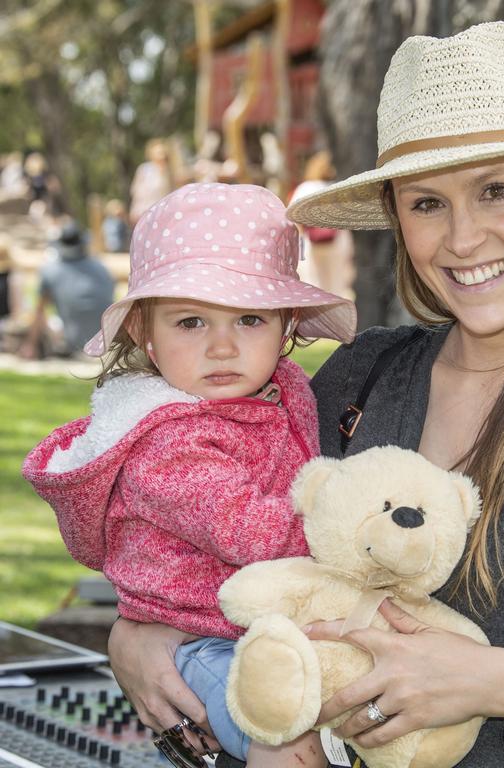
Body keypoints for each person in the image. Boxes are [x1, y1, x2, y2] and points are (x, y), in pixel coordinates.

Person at [105, 22, 504, 768]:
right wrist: (141, 637)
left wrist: (499, 683)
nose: (463, 238)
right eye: (426, 203)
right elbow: (226, 550)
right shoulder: (358, 379)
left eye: (497, 191)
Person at [23, 182, 356, 767]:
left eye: (249, 318)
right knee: (286, 742)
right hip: (198, 639)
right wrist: (356, 532)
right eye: (192, 323)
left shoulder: (279, 393)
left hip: (258, 620)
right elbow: (249, 533)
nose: (223, 347)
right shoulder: (168, 445)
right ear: (144, 335)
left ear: (287, 326)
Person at [18, 220, 114, 359]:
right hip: (105, 341)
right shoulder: (102, 268)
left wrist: (30, 344)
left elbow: (39, 311)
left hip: (72, 343)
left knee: (48, 318)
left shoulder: (50, 270)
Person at [290, 151, 355, 299]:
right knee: (336, 285)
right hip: (337, 243)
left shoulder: (305, 188)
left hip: (312, 243)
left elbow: (294, 217)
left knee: (314, 283)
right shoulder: (337, 188)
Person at [129, 139, 173, 225]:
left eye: (163, 152)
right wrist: (134, 210)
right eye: (159, 153)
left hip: (163, 213)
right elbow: (136, 191)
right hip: (144, 212)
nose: (162, 156)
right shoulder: (144, 169)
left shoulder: (169, 172)